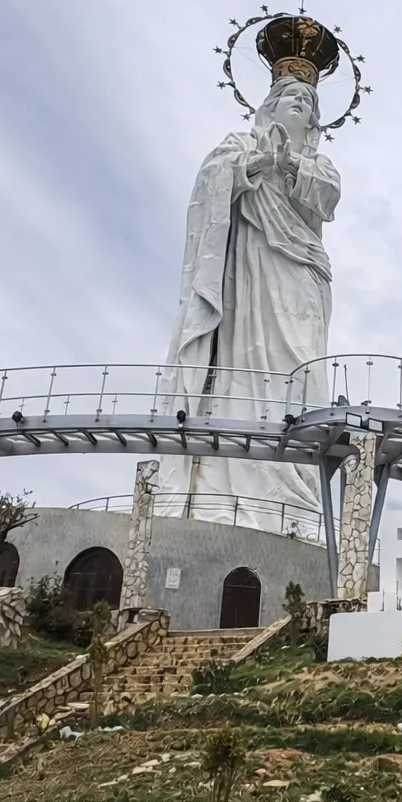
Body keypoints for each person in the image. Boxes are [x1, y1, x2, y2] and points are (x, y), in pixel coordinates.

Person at [156, 70, 341, 529]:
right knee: (243, 366)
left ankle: (295, 501)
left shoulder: (320, 164)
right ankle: (223, 490)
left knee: (300, 368)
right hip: (247, 272)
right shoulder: (237, 145)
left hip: (299, 273)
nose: (300, 102)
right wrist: (253, 166)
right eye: (291, 96)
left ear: (315, 122)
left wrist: (290, 165)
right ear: (270, 105)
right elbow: (210, 183)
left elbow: (329, 197)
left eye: (308, 101)